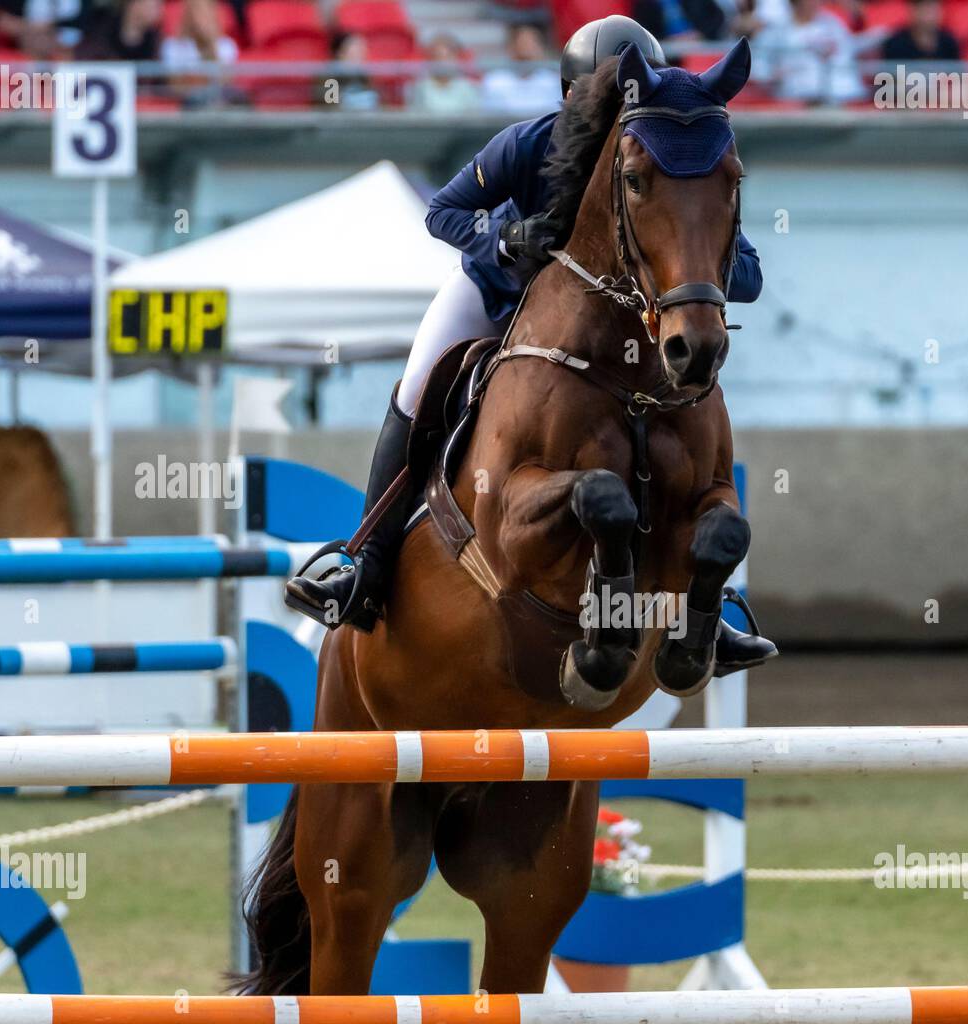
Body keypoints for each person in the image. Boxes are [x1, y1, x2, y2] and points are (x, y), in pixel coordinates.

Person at [286, 14, 773, 675]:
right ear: (571, 96)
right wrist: (503, 240)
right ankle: (363, 564)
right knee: (418, 384)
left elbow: (745, 271)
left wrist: (701, 282)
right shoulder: (529, 142)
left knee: (687, 410)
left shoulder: (667, 164)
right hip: (497, 295)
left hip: (619, 329)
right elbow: (444, 213)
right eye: (598, 102)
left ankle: (710, 609)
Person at [752, 0, 868, 103]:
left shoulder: (832, 24)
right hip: (792, 96)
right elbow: (758, 63)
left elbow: (846, 56)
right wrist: (771, 74)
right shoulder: (778, 29)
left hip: (834, 92)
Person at [480, 21, 559, 116]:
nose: (529, 48)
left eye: (534, 43)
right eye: (524, 43)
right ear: (511, 47)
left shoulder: (550, 81)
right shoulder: (495, 81)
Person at [410, 32, 481, 115]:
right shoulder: (421, 87)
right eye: (437, 56)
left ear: (456, 58)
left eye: (448, 57)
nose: (442, 62)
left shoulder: (467, 87)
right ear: (430, 58)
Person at [880, 0, 961, 67]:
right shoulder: (895, 44)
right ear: (913, 10)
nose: (930, 15)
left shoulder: (949, 43)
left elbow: (957, 78)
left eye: (934, 9)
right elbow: (888, 81)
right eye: (925, 9)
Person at [75, 0, 162, 60]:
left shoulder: (156, 43)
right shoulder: (98, 35)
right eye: (154, 6)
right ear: (135, 5)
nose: (159, 12)